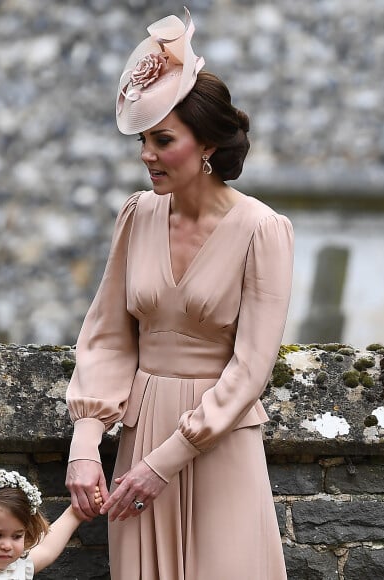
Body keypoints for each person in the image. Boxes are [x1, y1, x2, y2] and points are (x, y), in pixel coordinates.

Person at [65, 7, 293, 580]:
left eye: (162, 140)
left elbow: (250, 368)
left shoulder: (263, 230)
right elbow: (108, 337)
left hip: (217, 446)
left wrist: (163, 463)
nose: (146, 154)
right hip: (140, 432)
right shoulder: (138, 215)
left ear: (208, 145)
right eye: (143, 139)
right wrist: (87, 444)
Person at [0, 469, 102, 579]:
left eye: (17, 536)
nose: (7, 545)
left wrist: (76, 512)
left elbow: (46, 549)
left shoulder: (17, 568)